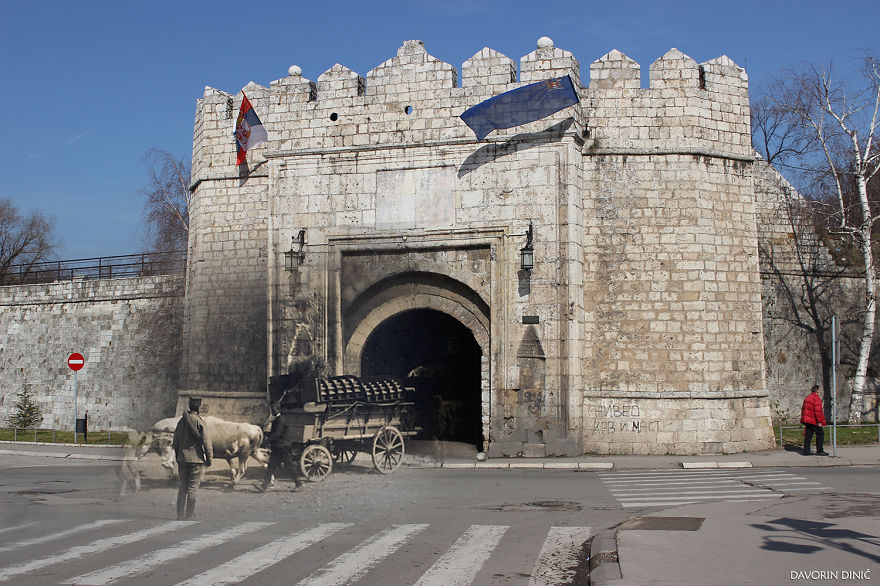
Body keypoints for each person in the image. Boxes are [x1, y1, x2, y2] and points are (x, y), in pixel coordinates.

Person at [172, 396, 213, 520]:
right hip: (196, 460)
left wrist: (178, 456)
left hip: (182, 459)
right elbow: (206, 442)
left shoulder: (181, 421)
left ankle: (179, 515)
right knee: (192, 488)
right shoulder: (199, 421)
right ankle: (189, 516)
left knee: (183, 487)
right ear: (199, 407)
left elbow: (175, 441)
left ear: (190, 406)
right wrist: (209, 459)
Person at [258, 402, 303, 492]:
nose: (272, 411)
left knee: (289, 466)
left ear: (277, 409)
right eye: (271, 409)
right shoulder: (277, 419)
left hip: (282, 448)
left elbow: (277, 434)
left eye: (273, 409)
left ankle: (299, 484)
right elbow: (275, 433)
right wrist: (265, 433)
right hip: (278, 448)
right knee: (271, 467)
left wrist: (266, 441)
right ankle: (264, 486)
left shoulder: (280, 420)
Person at [800, 384, 828, 456]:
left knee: (808, 435)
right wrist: (819, 421)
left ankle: (806, 451)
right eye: (819, 390)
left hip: (807, 420)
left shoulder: (807, 398)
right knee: (820, 434)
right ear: (817, 390)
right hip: (814, 420)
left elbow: (804, 409)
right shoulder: (816, 398)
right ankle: (819, 450)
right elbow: (818, 411)